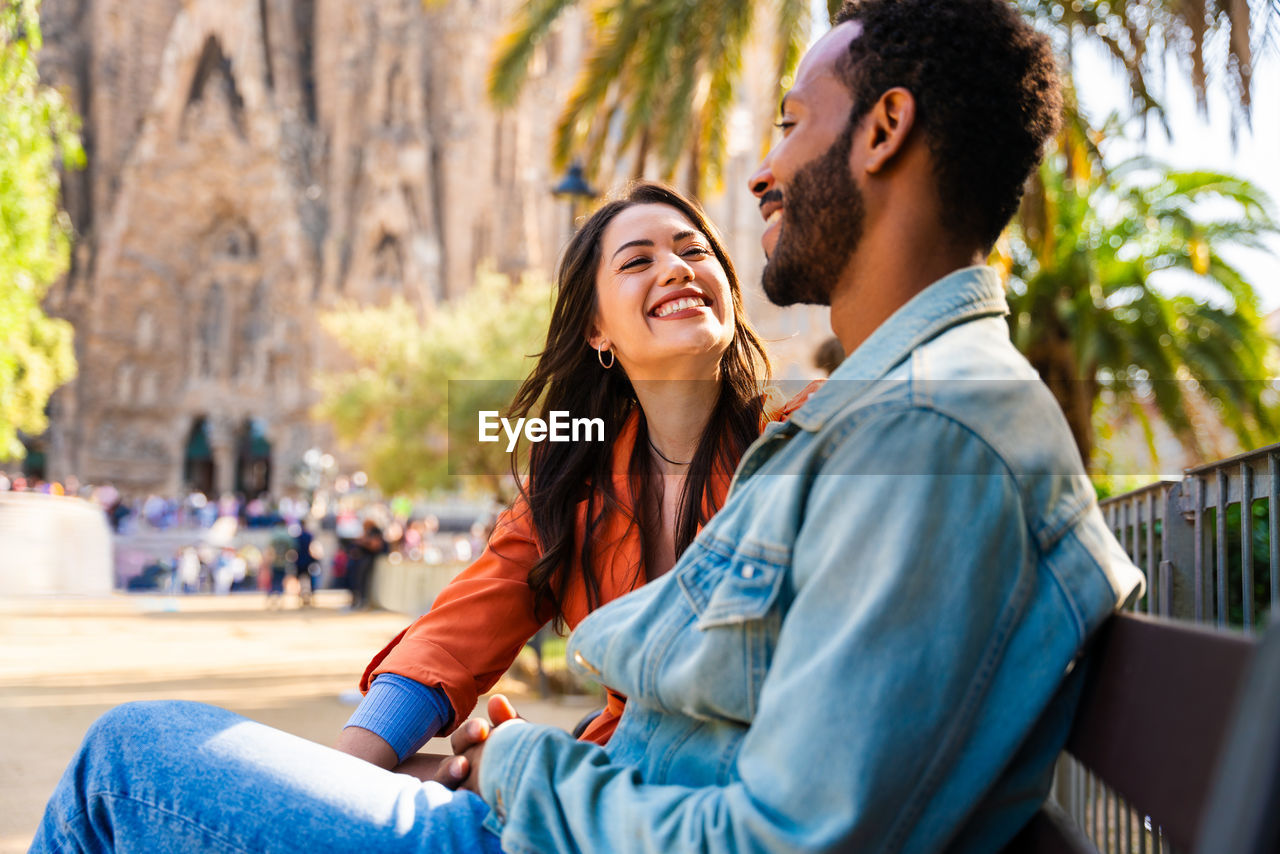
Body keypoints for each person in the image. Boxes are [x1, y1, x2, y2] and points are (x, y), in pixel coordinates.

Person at [32, 2, 1145, 852]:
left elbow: (771, 829)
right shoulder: (831, 433)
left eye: (791, 125)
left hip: (555, 817)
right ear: (598, 338)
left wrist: (510, 759)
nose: (759, 173)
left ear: (884, 131)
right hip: (570, 801)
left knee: (122, 764)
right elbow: (500, 605)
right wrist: (387, 757)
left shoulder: (910, 439)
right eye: (637, 259)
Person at [337, 181, 796, 773]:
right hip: (615, 788)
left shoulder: (804, 446)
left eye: (695, 251)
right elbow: (452, 638)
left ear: (729, 292)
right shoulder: (570, 490)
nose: (677, 269)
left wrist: (521, 772)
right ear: (596, 332)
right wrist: (347, 775)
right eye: (638, 261)